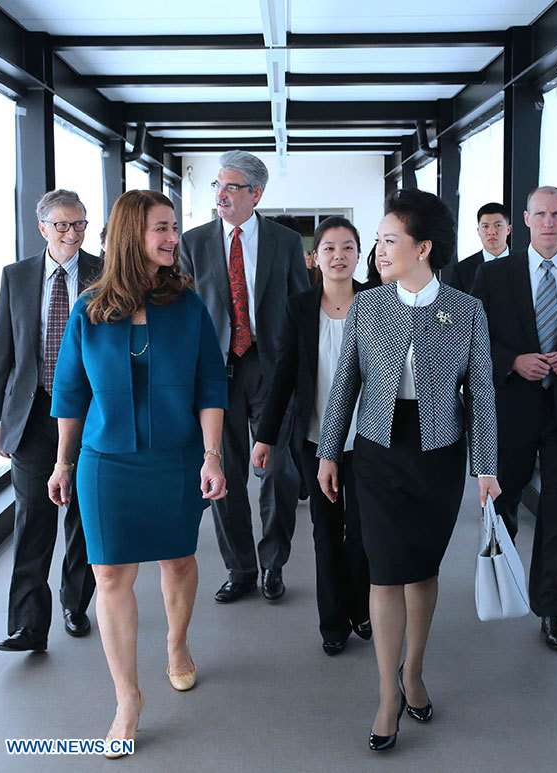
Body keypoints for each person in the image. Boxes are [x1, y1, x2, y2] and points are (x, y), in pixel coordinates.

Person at [317, 189, 500, 752]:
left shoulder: (466, 310)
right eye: (377, 240)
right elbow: (344, 385)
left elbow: (483, 394)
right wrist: (328, 451)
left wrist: (486, 467)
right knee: (384, 572)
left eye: (389, 240)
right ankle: (386, 694)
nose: (378, 251)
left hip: (438, 455)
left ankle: (413, 672)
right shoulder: (368, 306)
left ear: (422, 248)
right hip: (377, 453)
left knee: (421, 571)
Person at [47, 190, 228, 756]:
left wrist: (213, 455)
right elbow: (70, 394)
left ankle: (176, 644)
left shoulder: (188, 306)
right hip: (106, 463)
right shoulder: (88, 309)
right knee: (109, 578)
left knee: (178, 560)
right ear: (132, 235)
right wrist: (63, 462)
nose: (173, 237)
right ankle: (127, 698)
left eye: (174, 227)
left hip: (176, 458)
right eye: (161, 228)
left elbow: (211, 386)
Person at [180, 150, 309, 604]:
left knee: (279, 471)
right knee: (222, 470)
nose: (221, 194)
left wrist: (301, 373)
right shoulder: (193, 243)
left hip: (271, 367)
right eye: (217, 185)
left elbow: (300, 308)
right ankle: (240, 568)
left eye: (231, 187)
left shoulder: (284, 241)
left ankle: (274, 563)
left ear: (256, 193)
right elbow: (183, 311)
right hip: (215, 371)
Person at [252, 216, 371, 655]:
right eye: (329, 248)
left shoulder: (379, 303)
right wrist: (265, 437)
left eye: (347, 247)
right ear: (314, 257)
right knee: (326, 531)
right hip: (316, 440)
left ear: (359, 254)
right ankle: (333, 623)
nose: (339, 256)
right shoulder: (299, 307)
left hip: (369, 438)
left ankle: (361, 606)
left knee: (363, 532)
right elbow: (284, 374)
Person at [0, 189, 99, 653]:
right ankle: (28, 625)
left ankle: (76, 604)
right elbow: (3, 349)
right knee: (33, 517)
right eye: (62, 225)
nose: (72, 233)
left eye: (79, 224)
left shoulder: (104, 273)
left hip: (90, 412)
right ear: (42, 228)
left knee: (83, 516)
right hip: (32, 415)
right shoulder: (16, 276)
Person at [472, 185, 557, 651]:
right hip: (511, 410)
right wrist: (512, 362)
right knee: (503, 504)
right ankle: (503, 582)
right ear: (526, 219)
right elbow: (472, 338)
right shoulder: (495, 275)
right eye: (541, 214)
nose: (549, 222)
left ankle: (551, 609)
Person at [443, 202, 511, 293]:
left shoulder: (524, 263)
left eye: (498, 225)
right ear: (478, 231)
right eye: (485, 226)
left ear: (508, 229)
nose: (491, 232)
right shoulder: (462, 270)